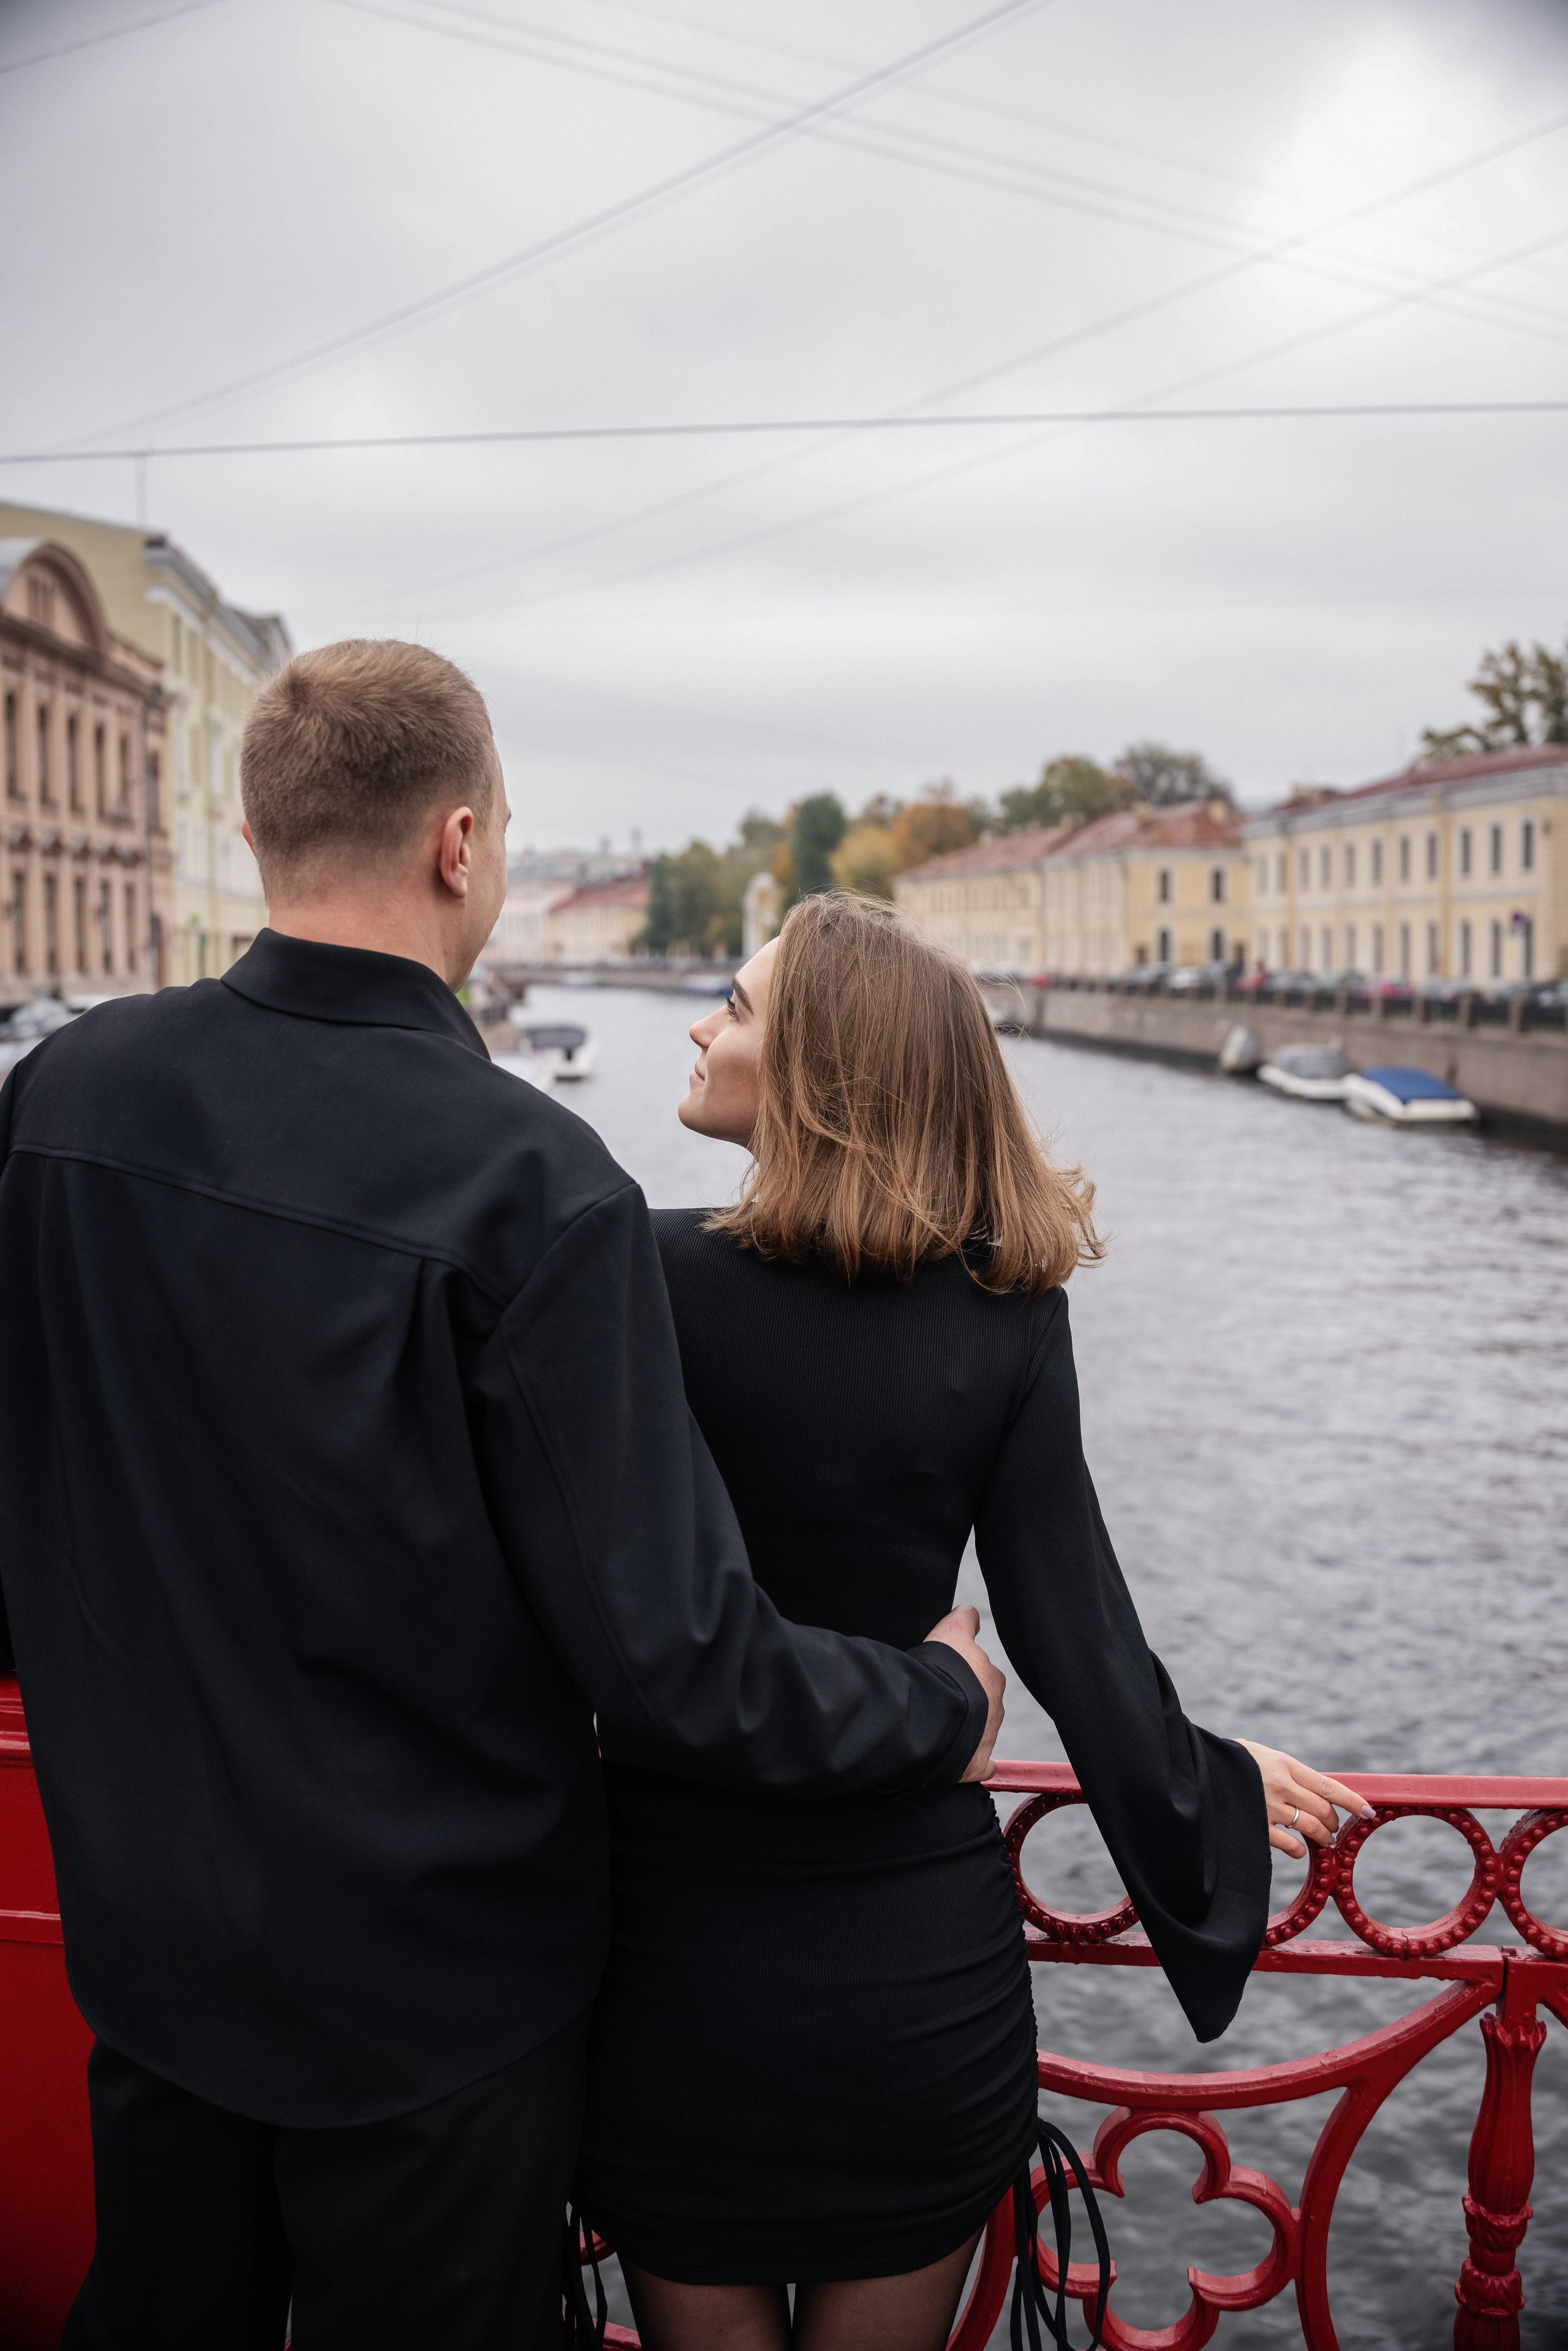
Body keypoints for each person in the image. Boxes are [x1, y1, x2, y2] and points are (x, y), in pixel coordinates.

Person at [0, 643, 1006, 2351]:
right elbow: (679, 1657)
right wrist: (938, 1690)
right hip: (437, 2006)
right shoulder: (530, 1180)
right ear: (460, 844)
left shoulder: (59, 1100)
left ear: (258, 833)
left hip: (151, 1949)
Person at [575, 892, 1369, 2351]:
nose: (700, 1024)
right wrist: (1202, 1779)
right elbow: (1072, 1632)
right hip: (906, 1974)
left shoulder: (636, 1278)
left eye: (737, 1006)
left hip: (673, 1949)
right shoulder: (1004, 1312)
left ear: (823, 1066)